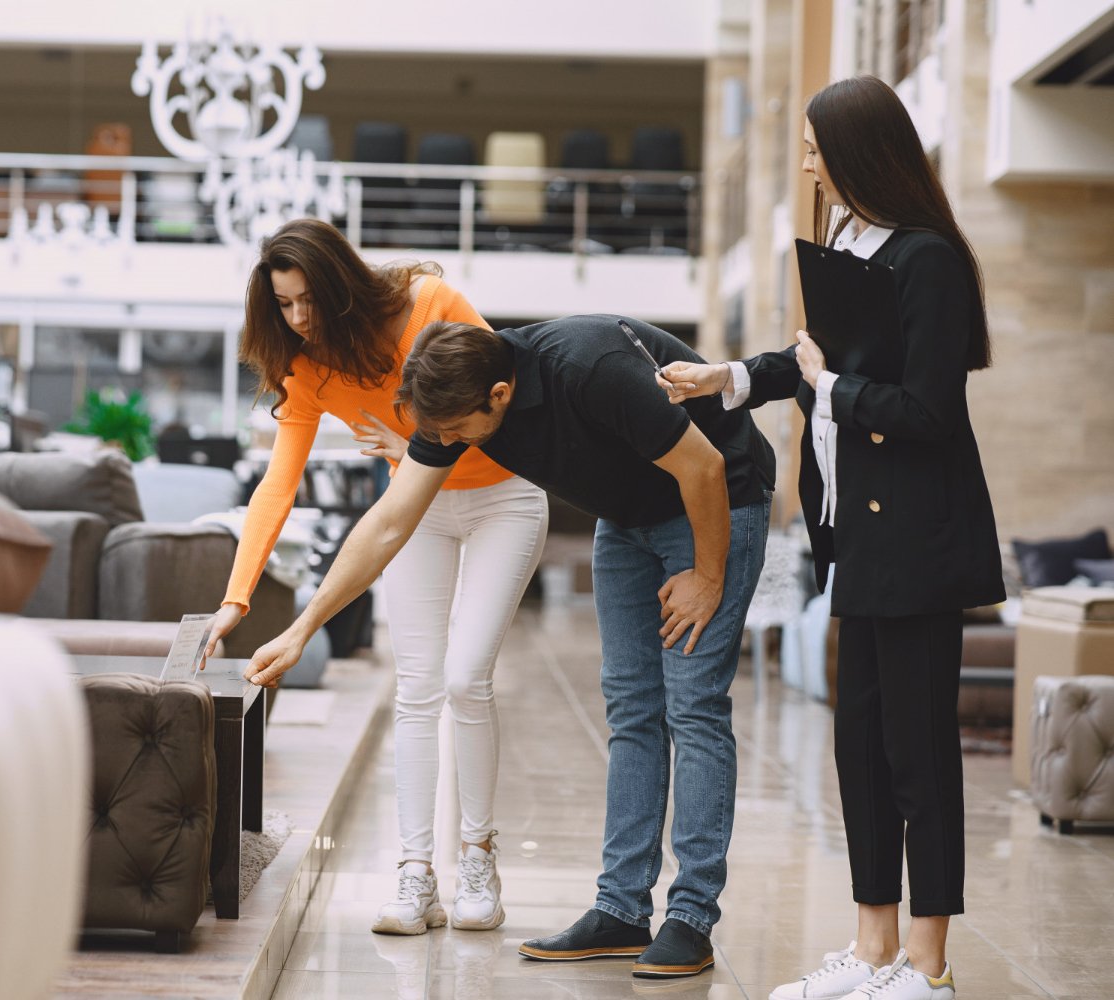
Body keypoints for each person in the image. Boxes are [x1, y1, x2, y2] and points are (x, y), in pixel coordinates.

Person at [245, 313, 777, 979]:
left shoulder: (591, 368)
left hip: (715, 503)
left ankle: (691, 918)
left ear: (498, 397)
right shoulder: (456, 398)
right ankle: (620, 909)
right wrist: (302, 628)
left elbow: (703, 464)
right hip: (630, 518)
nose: (448, 444)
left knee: (693, 707)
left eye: (457, 431)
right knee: (632, 708)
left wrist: (706, 574)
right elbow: (387, 525)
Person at [660, 75, 1003, 1000]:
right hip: (856, 537)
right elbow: (810, 365)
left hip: (922, 541)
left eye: (816, 149)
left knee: (918, 755)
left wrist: (834, 388)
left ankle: (927, 967)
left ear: (859, 152)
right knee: (862, 748)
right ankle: (874, 952)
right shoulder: (851, 245)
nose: (807, 164)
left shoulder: (926, 259)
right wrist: (728, 376)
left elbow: (928, 408)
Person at [205, 219, 549, 936]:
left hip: (504, 498)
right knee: (416, 687)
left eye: (307, 300)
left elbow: (507, 397)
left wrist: (421, 442)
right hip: (414, 509)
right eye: (284, 306)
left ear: (337, 284)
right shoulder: (306, 369)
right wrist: (238, 595)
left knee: (465, 679)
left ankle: (478, 856)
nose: (298, 320)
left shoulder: (428, 304)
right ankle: (415, 873)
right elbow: (279, 482)